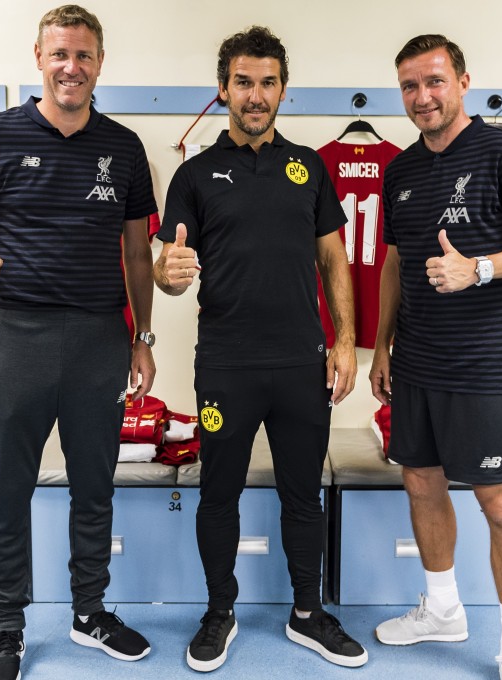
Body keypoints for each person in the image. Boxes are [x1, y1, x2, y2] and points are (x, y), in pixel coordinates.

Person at [0, 6, 157, 680]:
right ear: (38, 56)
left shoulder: (124, 146)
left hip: (100, 339)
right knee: (7, 492)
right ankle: (8, 629)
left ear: (100, 63)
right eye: (60, 54)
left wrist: (143, 338)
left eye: (84, 55)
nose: (72, 67)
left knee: (94, 488)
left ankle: (89, 613)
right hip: (17, 337)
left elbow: (138, 254)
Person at [153, 25, 367, 674]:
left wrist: (346, 340)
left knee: (304, 496)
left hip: (303, 363)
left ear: (283, 89)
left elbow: (333, 258)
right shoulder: (194, 174)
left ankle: (307, 613)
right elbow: (168, 269)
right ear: (223, 90)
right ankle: (219, 612)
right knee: (219, 496)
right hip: (226, 365)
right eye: (243, 82)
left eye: (267, 82)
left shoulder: (309, 166)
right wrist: (169, 274)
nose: (255, 94)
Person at [369, 34, 502, 680]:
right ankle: (443, 610)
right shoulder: (399, 170)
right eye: (410, 86)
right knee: (421, 484)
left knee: (500, 505)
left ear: (462, 82)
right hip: (416, 363)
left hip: (483, 366)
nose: (422, 97)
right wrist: (381, 345)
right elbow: (395, 263)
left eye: (434, 81)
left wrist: (479, 268)